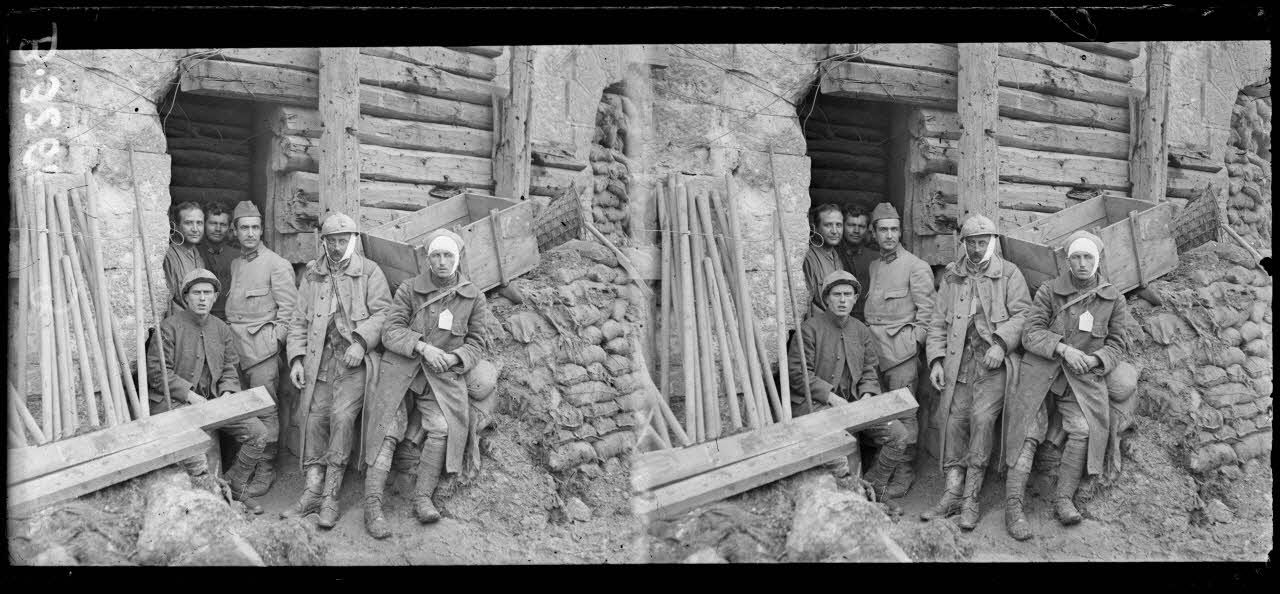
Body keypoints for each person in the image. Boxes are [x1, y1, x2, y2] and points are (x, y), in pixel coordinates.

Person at [1002, 231, 1133, 540]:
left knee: (1084, 428)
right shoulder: (1049, 291)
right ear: (1068, 261)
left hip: (1081, 377)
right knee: (1027, 431)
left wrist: (1096, 359)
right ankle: (1013, 508)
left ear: (1097, 260)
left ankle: (1063, 499)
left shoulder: (1113, 298)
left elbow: (1118, 344)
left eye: (1088, 257)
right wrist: (1062, 348)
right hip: (1042, 371)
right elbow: (1030, 333)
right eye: (1076, 257)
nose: (1082, 263)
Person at [362, 229, 492, 539]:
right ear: (428, 259)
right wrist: (422, 347)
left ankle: (422, 497)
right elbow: (390, 331)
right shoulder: (409, 289)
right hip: (402, 369)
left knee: (444, 427)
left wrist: (456, 357)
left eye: (448, 255)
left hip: (441, 375)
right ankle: (372, 506)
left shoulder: (473, 296)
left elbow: (477, 342)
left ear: (457, 259)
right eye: (436, 255)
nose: (442, 261)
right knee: (386, 429)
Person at [281, 213, 393, 528]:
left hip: (354, 362)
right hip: (319, 360)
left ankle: (331, 497)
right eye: (331, 241)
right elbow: (298, 320)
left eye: (343, 240)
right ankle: (312, 491)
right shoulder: (313, 274)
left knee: (341, 419)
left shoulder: (369, 271)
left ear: (353, 241)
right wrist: (297, 359)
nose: (336, 246)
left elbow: (384, 313)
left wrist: (361, 342)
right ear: (324, 242)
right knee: (314, 418)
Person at [921, 215, 1031, 529]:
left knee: (981, 421)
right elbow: (937, 322)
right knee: (954, 422)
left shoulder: (1009, 273)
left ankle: (971, 498)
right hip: (959, 363)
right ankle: (952, 492)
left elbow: (1024, 314)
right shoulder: (952, 276)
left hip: (993, 365)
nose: (977, 247)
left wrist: (1001, 344)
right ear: (964, 244)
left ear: (993, 242)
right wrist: (936, 360)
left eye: (983, 242)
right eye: (971, 242)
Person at [147, 268, 269, 513]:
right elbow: (157, 372)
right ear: (186, 297)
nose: (202, 298)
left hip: (213, 402)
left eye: (207, 293)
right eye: (196, 293)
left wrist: (227, 393)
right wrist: (190, 395)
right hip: (177, 403)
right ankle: (211, 498)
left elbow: (229, 366)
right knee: (196, 453)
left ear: (215, 297)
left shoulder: (221, 328)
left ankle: (236, 484)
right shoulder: (169, 328)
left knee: (258, 433)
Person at [788, 270, 910, 498]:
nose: (842, 300)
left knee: (898, 434)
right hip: (817, 405)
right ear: (826, 299)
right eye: (837, 295)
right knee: (838, 449)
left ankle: (874, 487)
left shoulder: (861, 330)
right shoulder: (809, 329)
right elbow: (798, 375)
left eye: (847, 295)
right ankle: (850, 496)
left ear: (855, 299)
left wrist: (866, 396)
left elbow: (869, 369)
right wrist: (831, 397)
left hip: (853, 404)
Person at [225, 201, 299, 499]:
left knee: (265, 410)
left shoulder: (277, 264)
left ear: (262, 230)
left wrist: (273, 343)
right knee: (241, 410)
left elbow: (290, 311)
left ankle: (265, 468)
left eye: (255, 227)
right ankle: (244, 467)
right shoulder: (236, 264)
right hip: (236, 351)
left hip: (262, 353)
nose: (250, 233)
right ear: (235, 231)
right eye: (244, 228)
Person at [862, 202, 935, 499]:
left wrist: (912, 345)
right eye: (883, 230)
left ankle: (903, 472)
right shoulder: (874, 266)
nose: (889, 235)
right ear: (874, 233)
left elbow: (928, 314)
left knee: (904, 414)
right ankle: (882, 469)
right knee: (879, 414)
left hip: (901, 355)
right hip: (874, 353)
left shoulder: (917, 266)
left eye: (894, 229)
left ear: (901, 232)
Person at [802, 203, 847, 317]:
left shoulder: (837, 257)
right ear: (815, 228)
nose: (834, 231)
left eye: (839, 225)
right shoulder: (809, 258)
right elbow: (806, 304)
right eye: (828, 225)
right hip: (819, 324)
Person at [163, 201, 207, 316]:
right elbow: (167, 302)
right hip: (179, 322)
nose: (195, 229)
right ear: (176, 226)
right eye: (188, 223)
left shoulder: (199, 257)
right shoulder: (169, 256)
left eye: (199, 223)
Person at [838, 206, 876, 323]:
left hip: (868, 322)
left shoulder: (876, 258)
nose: (856, 230)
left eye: (861, 226)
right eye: (851, 225)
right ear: (842, 226)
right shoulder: (832, 255)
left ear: (867, 229)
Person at [200, 202, 236, 321]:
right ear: (204, 224)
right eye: (213, 223)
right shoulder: (194, 253)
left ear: (229, 227)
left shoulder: (237, 256)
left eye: (223, 224)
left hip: (231, 319)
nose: (218, 229)